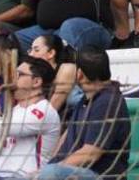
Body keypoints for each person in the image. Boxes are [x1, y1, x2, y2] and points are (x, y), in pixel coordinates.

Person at [39, 46, 131, 180]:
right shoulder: (86, 99)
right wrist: (49, 166)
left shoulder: (107, 101)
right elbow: (65, 137)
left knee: (50, 173)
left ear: (79, 74)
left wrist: (54, 169)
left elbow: (91, 153)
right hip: (73, 171)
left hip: (99, 175)